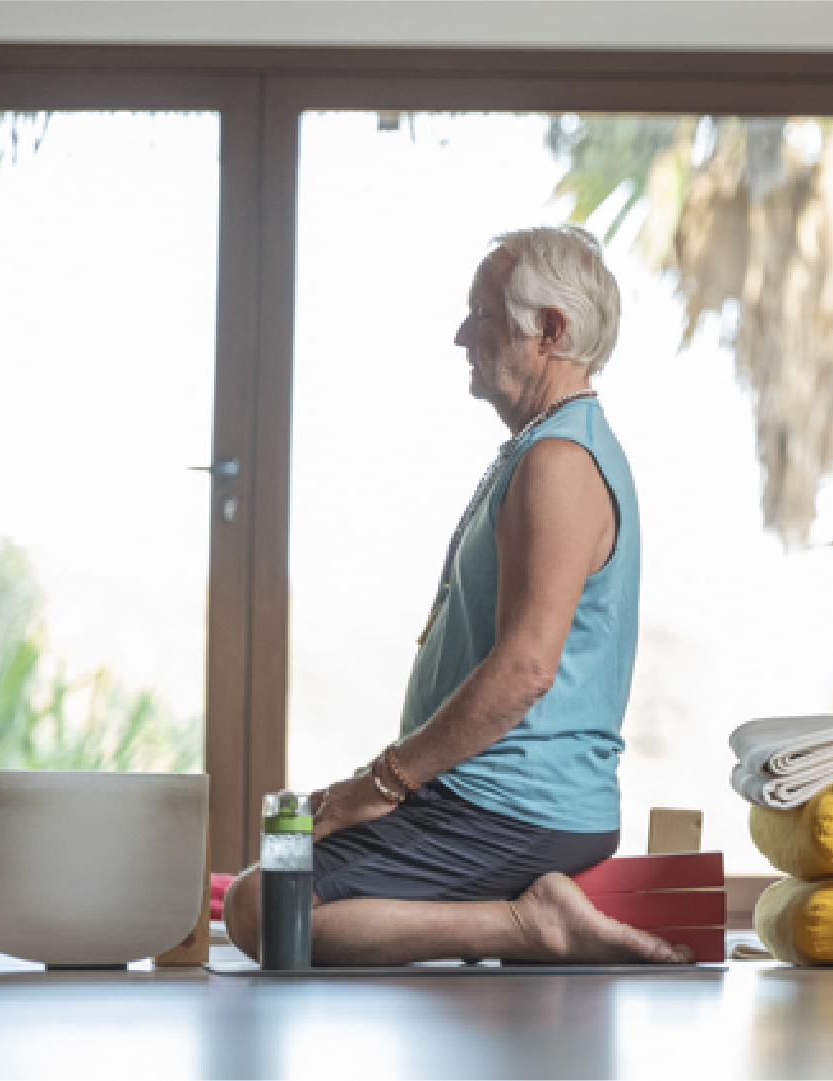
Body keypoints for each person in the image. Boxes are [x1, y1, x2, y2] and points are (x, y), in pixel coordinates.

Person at [224, 226, 691, 966]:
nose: (459, 334)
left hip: (513, 807)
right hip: (491, 800)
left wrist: (383, 781)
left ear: (549, 329)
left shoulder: (560, 462)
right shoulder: (544, 448)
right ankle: (521, 915)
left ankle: (533, 923)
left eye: (481, 312)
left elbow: (526, 669)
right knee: (275, 878)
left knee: (263, 906)